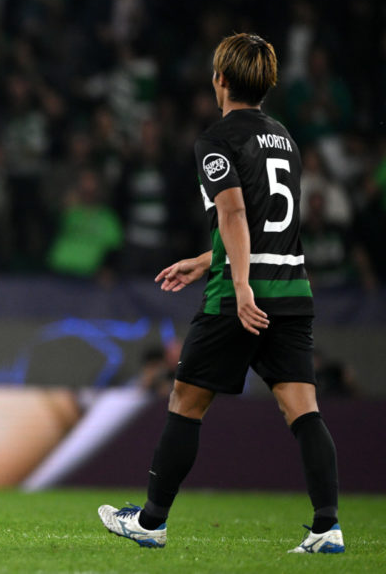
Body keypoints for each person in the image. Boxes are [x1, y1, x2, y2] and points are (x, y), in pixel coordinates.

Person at [97, 34, 344, 554]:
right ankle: (328, 528)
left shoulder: (217, 140)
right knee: (303, 409)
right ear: (268, 84)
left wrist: (237, 284)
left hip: (242, 297)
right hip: (293, 291)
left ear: (221, 80)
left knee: (186, 400)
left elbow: (233, 214)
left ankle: (151, 521)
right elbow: (267, 227)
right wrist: (207, 257)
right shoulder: (286, 140)